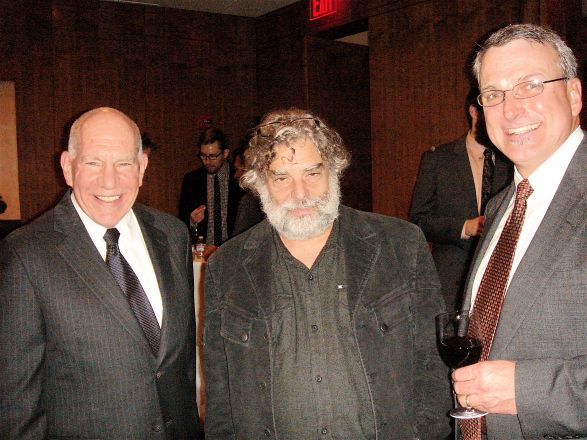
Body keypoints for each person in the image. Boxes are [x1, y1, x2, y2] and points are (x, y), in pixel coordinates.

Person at [203, 108, 451, 439]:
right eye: (281, 178)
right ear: (259, 183)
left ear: (333, 170)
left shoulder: (400, 245)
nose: (300, 194)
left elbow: (433, 364)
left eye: (312, 173)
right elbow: (222, 398)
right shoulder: (226, 268)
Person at [0, 107, 199, 439]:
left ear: (142, 167)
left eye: (123, 164)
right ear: (67, 167)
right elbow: (15, 406)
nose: (110, 181)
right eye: (93, 163)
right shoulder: (26, 254)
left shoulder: (173, 234)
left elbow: (179, 365)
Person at [452, 24, 585, 439]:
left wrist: (528, 390)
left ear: (575, 94)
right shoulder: (501, 206)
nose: (511, 110)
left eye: (530, 85)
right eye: (494, 94)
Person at [409, 89, 513, 310]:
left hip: (503, 283)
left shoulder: (512, 161)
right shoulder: (438, 159)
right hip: (451, 284)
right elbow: (418, 221)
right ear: (474, 111)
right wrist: (465, 227)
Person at [178, 128, 243, 247]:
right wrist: (192, 221)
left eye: (213, 156)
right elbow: (182, 221)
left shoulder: (240, 180)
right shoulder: (192, 180)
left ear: (225, 153)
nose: (207, 162)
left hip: (234, 249)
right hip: (203, 251)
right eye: (203, 156)